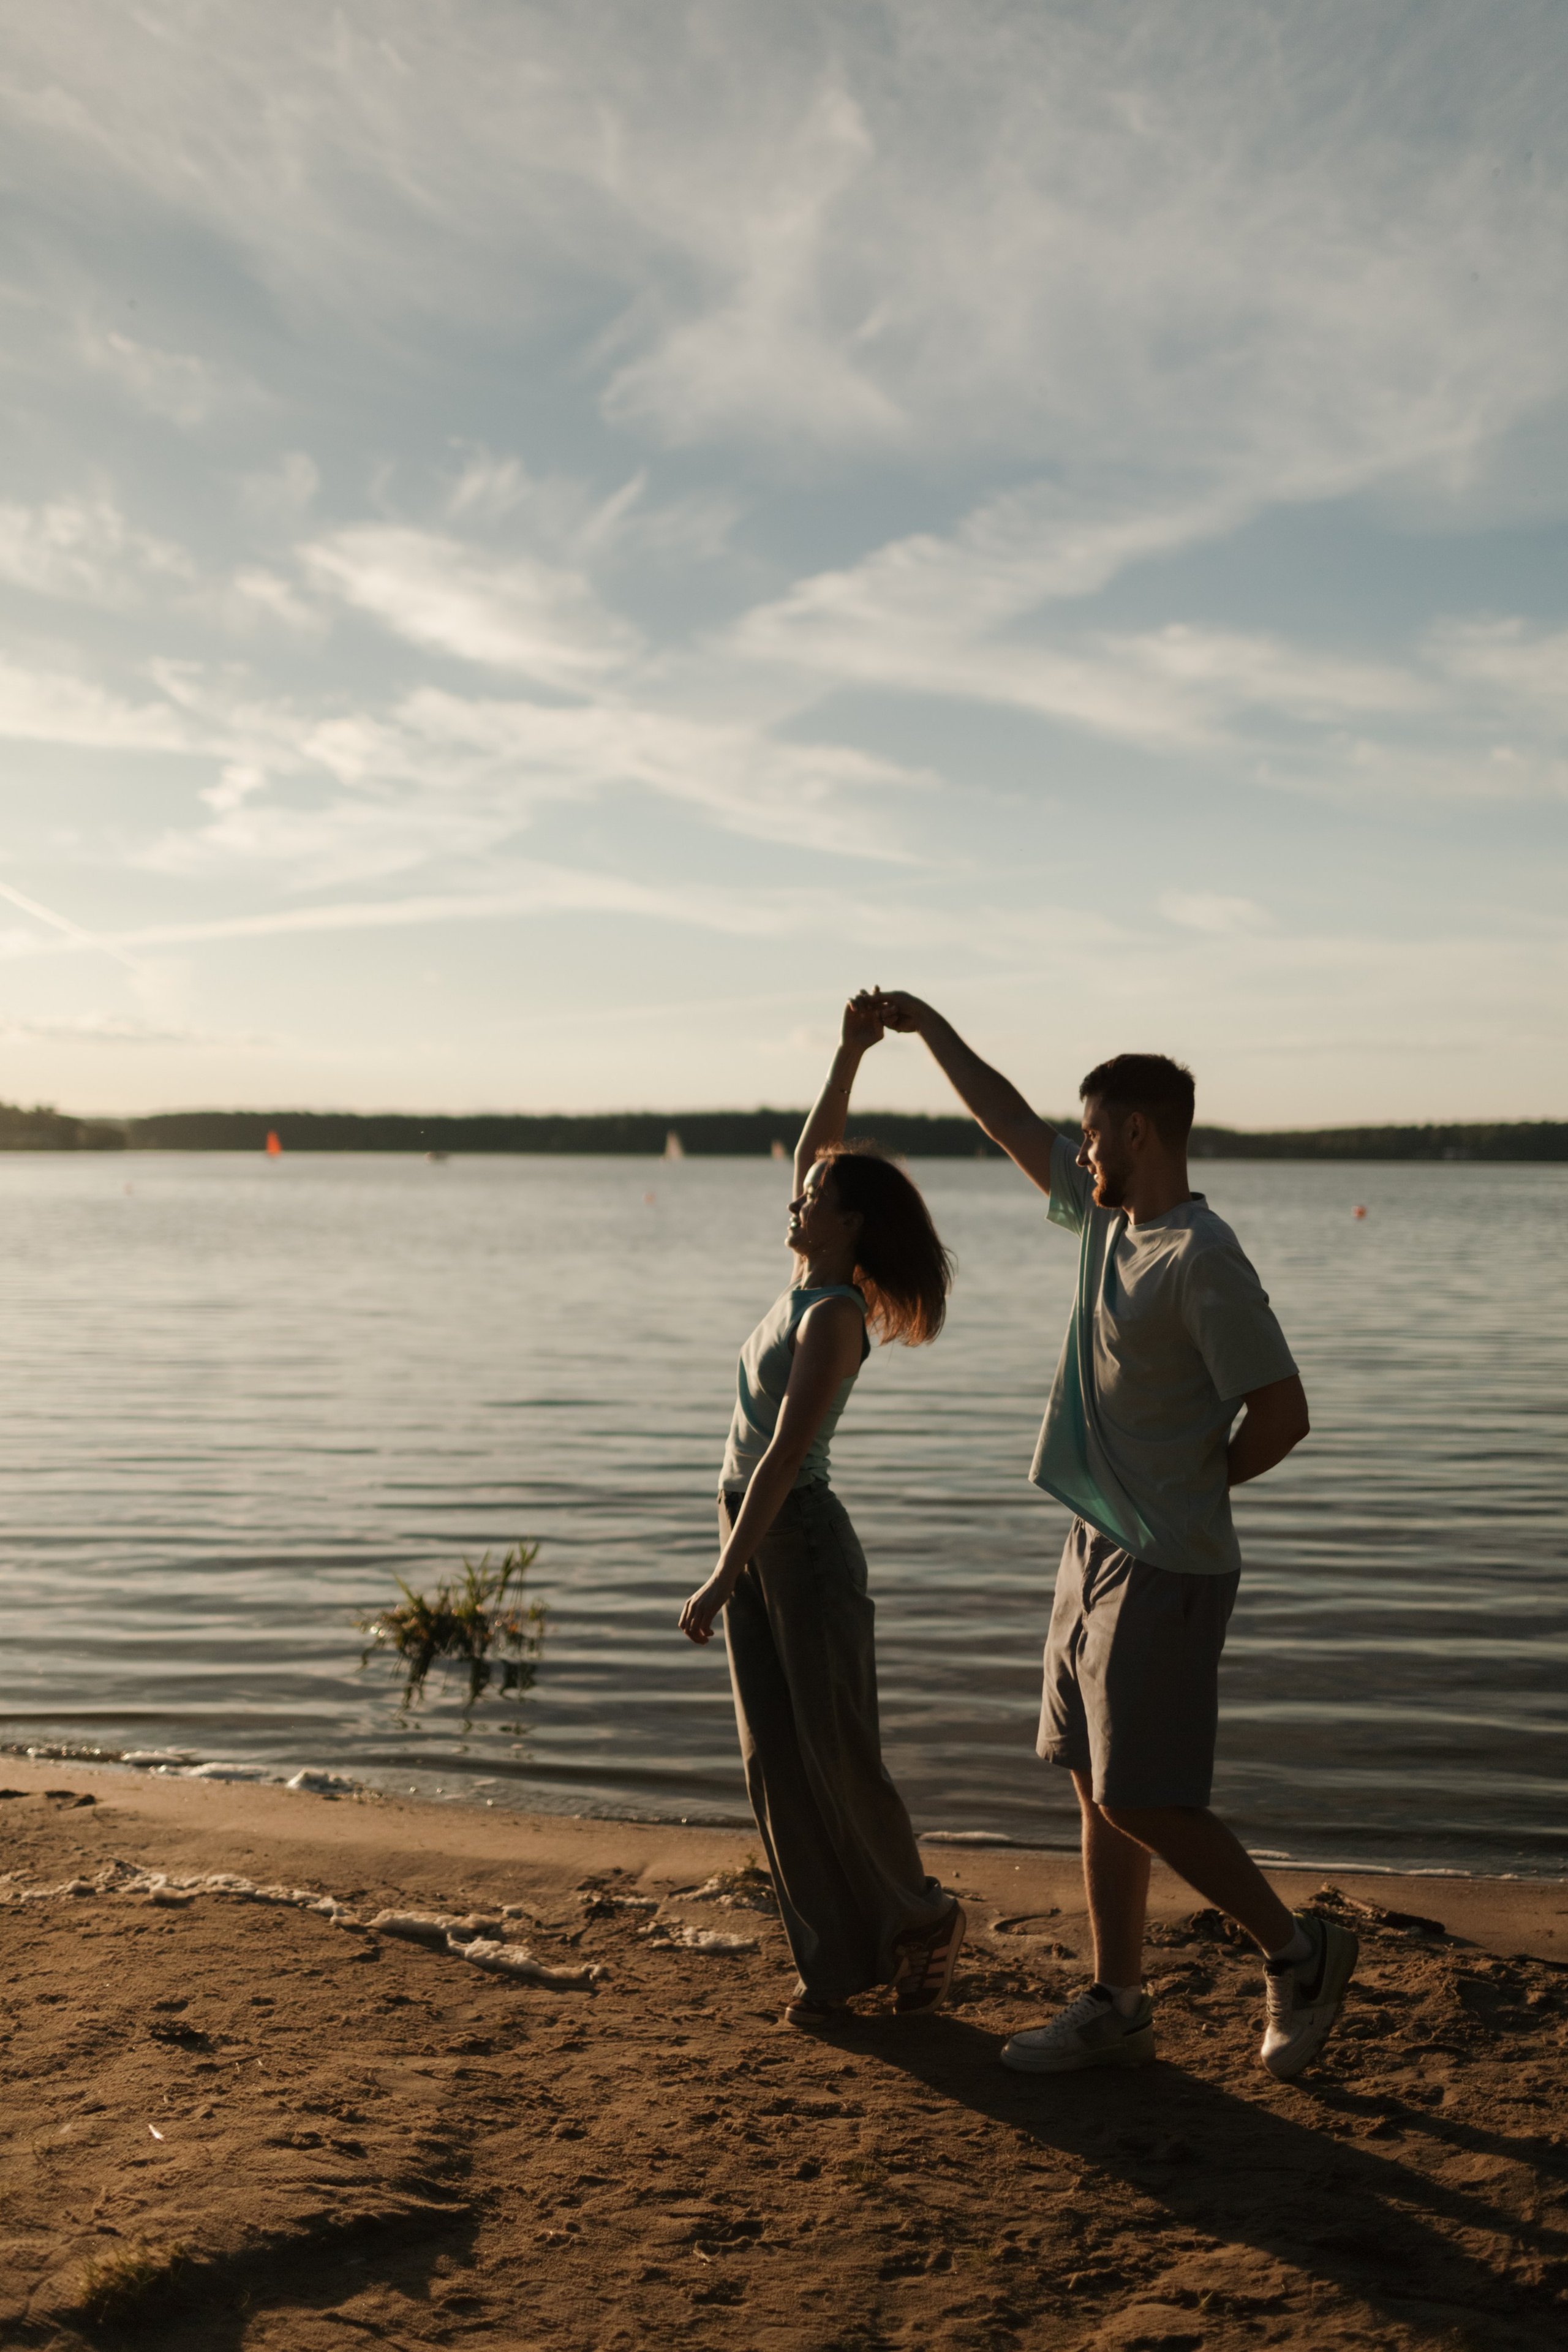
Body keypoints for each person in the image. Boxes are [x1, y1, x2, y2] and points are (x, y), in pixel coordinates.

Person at [870, 994, 1356, 2081]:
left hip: (1169, 1557)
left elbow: (1283, 1413)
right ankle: (1118, 2001)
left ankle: (1300, 1950)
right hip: (1092, 1545)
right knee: (1094, 1779)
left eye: (1092, 1133)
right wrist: (927, 1027)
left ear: (1138, 1132)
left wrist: (1195, 1483)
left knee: (1143, 1793)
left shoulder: (1202, 1257)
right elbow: (1006, 1120)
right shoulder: (1103, 1223)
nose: (1079, 1149)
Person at [678, 993, 965, 2030]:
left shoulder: (835, 1318)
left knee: (836, 1752)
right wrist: (848, 1053)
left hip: (793, 1536)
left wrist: (725, 1573)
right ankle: (836, 1963)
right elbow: (818, 1149)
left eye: (815, 1198)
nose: (797, 1200)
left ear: (851, 1226)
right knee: (775, 1762)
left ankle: (922, 1922)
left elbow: (788, 1456)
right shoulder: (806, 1275)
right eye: (804, 1193)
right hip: (753, 1526)